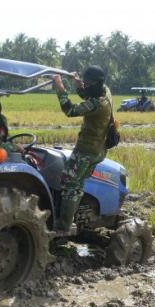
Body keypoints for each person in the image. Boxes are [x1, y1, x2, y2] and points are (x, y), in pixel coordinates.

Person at [52, 65, 112, 233]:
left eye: (86, 83)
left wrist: (59, 86)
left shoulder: (98, 104)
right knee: (77, 184)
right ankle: (67, 217)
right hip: (97, 150)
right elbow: (87, 94)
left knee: (70, 184)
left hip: (86, 152)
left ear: (94, 83)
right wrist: (78, 83)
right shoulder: (105, 91)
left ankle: (63, 224)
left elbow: (70, 110)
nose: (84, 85)